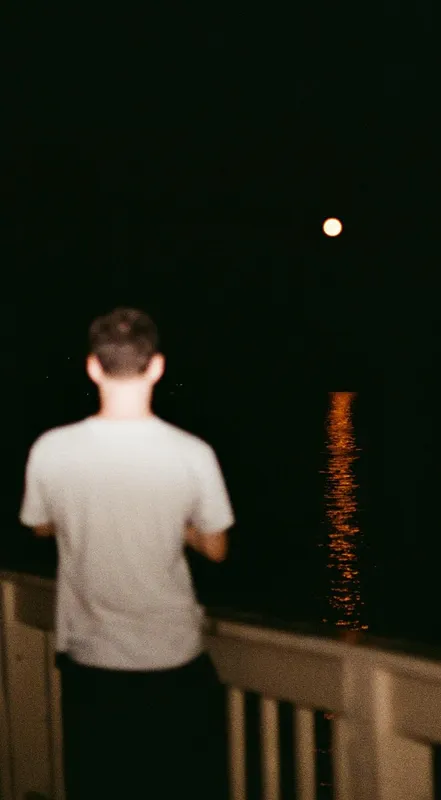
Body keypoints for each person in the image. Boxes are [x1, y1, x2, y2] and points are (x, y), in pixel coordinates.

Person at [19, 307, 234, 800]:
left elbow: (38, 526)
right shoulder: (192, 452)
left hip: (92, 662)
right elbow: (217, 548)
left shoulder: (51, 449)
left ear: (93, 367)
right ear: (156, 366)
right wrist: (173, 525)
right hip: (175, 659)